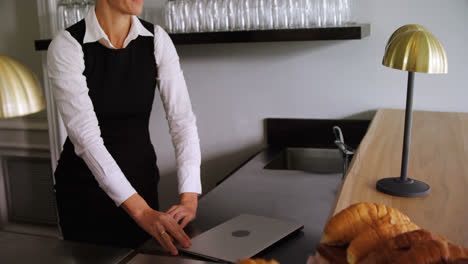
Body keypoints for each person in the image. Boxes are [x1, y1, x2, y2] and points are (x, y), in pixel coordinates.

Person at [47, 0, 201, 255]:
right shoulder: (67, 45)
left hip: (142, 182)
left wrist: (190, 197)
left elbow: (182, 122)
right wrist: (139, 211)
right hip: (85, 194)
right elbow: (87, 140)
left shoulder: (156, 39)